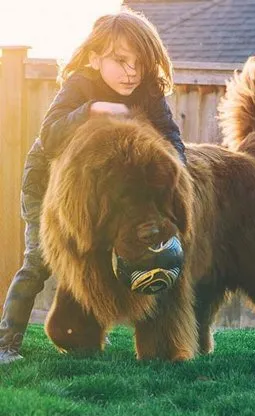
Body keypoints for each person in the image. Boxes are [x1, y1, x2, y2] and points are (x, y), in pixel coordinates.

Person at [0, 8, 187, 363]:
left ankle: (88, 331)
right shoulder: (80, 86)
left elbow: (172, 141)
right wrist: (90, 109)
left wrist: (171, 170)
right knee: (38, 263)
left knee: (100, 256)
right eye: (121, 60)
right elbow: (50, 135)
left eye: (140, 62)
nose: (132, 71)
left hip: (101, 200)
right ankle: (6, 342)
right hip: (48, 191)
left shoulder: (148, 93)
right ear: (95, 56)